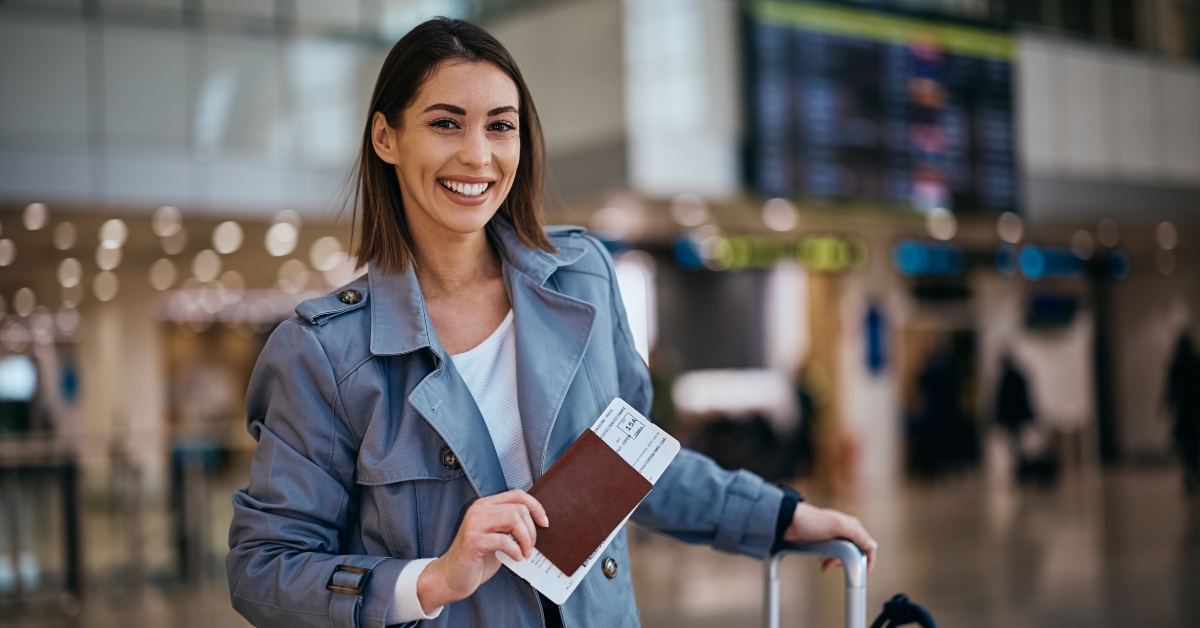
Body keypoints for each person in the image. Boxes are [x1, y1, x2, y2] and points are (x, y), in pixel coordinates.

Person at [226, 18, 876, 628]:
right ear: (386, 137)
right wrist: (432, 580)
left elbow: (632, 467)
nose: (478, 156)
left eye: (500, 126)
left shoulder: (582, 279)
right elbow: (264, 569)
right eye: (446, 123)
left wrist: (782, 516)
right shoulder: (324, 352)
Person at [1167, 334, 1200, 495]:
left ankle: (1191, 473)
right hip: (1193, 411)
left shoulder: (1178, 365)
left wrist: (1167, 405)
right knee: (1191, 444)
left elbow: (1171, 390)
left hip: (1187, 411)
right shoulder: (1194, 363)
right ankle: (1192, 473)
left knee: (1187, 445)